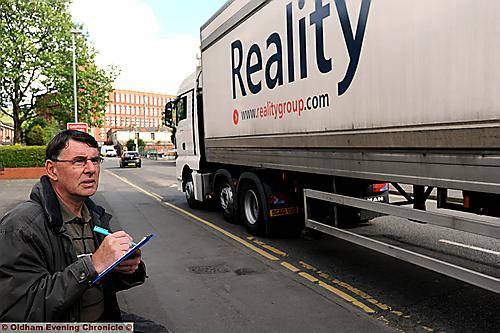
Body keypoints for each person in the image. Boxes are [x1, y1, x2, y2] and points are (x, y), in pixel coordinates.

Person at [0, 130, 146, 321]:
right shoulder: (20, 227)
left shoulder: (95, 216)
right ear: (52, 170)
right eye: (79, 161)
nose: (91, 169)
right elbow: (20, 311)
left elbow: (98, 283)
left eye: (95, 160)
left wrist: (124, 268)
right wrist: (93, 264)